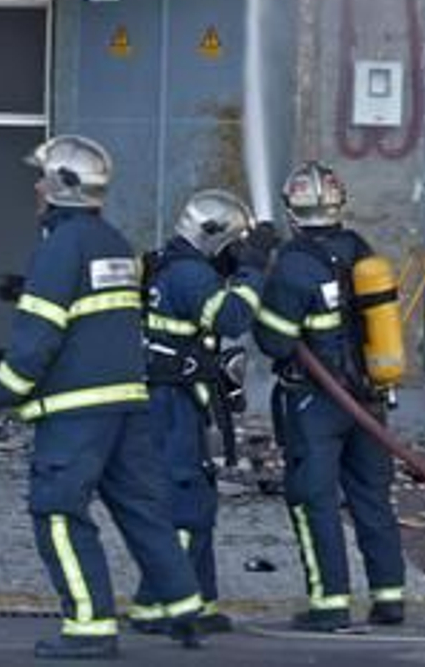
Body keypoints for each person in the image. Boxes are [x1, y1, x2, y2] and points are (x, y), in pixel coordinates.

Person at [0, 135, 205, 660]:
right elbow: (96, 313)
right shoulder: (114, 242)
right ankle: (184, 607)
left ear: (61, 185)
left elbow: (37, 341)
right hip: (127, 406)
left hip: (76, 413)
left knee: (56, 511)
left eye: (42, 177)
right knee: (143, 509)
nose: (35, 186)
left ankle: (90, 626)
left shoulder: (59, 246)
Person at [252, 160, 407, 632]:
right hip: (369, 400)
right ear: (338, 206)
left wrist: (260, 279)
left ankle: (330, 603)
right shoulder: (359, 250)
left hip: (317, 403)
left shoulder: (294, 263)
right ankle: (390, 598)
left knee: (313, 499)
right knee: (372, 498)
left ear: (292, 211)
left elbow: (275, 341)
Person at [129, 188, 277, 635]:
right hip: (174, 404)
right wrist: (252, 268)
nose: (232, 256)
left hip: (174, 401)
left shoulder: (165, 262)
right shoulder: (191, 275)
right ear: (215, 239)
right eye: (231, 246)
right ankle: (159, 606)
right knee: (187, 505)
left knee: (198, 497)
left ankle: (201, 601)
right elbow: (230, 318)